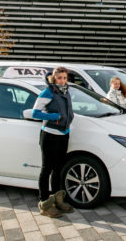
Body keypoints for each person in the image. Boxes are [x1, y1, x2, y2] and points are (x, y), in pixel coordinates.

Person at [32, 66, 75, 217]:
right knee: (47, 169)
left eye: (64, 78)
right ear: (53, 78)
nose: (62, 81)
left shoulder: (66, 91)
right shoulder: (48, 92)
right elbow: (35, 113)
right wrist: (54, 117)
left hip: (64, 134)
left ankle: (58, 200)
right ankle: (44, 204)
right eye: (59, 78)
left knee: (58, 169)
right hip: (50, 135)